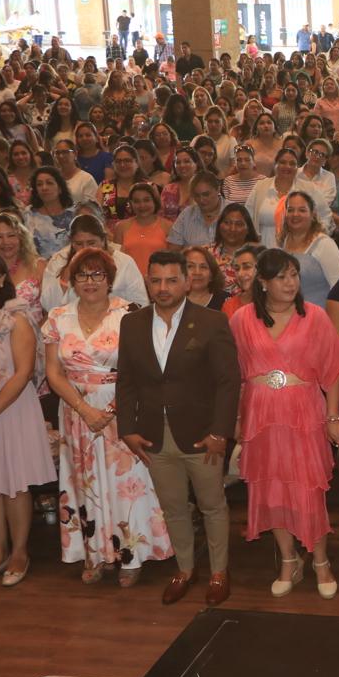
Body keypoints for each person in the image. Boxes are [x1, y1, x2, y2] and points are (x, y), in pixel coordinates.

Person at [115, 251, 241, 606]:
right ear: (147, 282)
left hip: (202, 435)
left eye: (171, 280)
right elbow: (126, 381)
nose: (163, 288)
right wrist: (127, 429)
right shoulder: (132, 323)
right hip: (153, 434)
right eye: (156, 280)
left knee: (212, 505)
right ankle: (185, 569)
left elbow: (228, 382)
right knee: (173, 508)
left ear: (187, 281)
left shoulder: (212, 321)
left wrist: (219, 432)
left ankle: (219, 572)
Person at [43, 247, 172, 585]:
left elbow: (141, 369)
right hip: (75, 410)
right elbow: (54, 373)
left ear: (110, 279)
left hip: (122, 407)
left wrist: (111, 410)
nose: (90, 281)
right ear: (72, 281)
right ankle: (95, 553)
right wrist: (85, 409)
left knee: (127, 485)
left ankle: (130, 555)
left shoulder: (129, 314)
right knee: (84, 482)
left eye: (97, 274)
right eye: (82, 275)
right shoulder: (58, 317)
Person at [229, 249, 339, 598]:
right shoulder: (241, 319)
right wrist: (237, 418)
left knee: (308, 490)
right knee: (271, 490)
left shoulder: (315, 316)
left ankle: (321, 560)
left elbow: (334, 370)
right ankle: (288, 560)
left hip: (303, 413)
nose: (290, 282)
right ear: (263, 282)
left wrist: (333, 417)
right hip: (261, 416)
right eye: (281, 276)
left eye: (294, 275)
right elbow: (234, 376)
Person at [0, 248, 54, 588]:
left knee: (13, 483)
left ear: (2, 280)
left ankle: (19, 553)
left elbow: (24, 372)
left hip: (10, 407)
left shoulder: (16, 316)